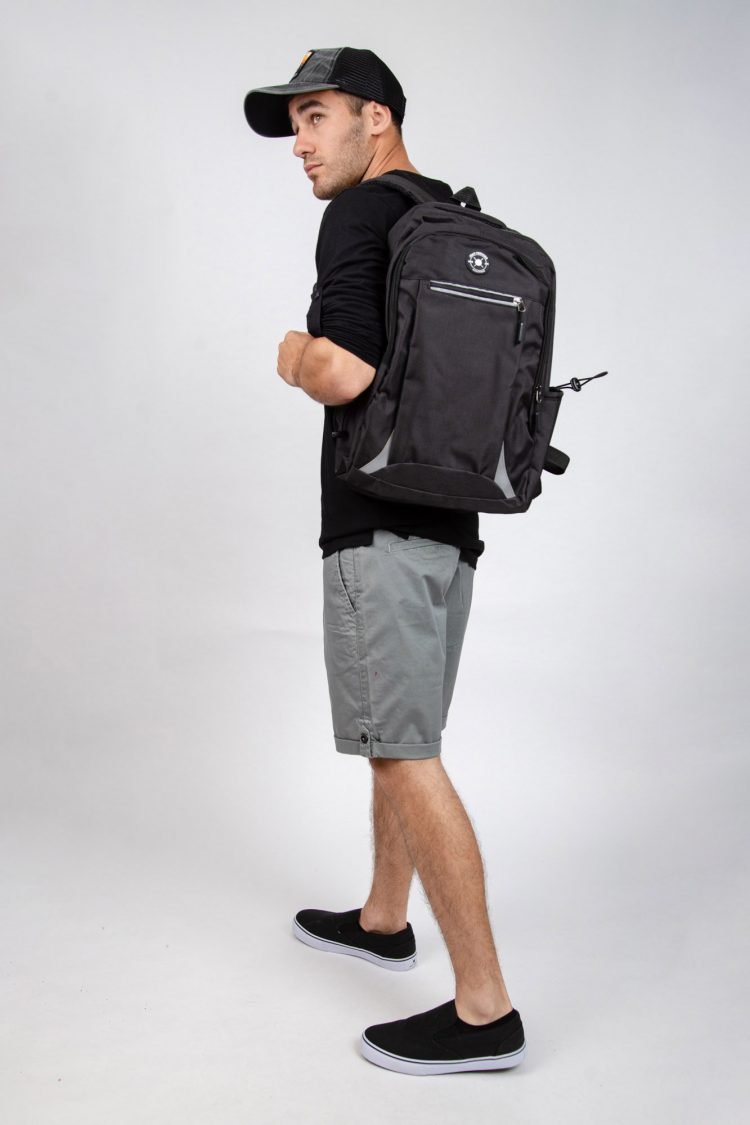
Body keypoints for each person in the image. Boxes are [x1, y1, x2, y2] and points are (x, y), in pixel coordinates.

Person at [244, 47, 526, 1076]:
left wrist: (291, 354)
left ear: (377, 117)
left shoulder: (360, 215)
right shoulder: (447, 215)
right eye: (294, 126)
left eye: (315, 117)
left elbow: (345, 370)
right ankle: (382, 918)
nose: (300, 144)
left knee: (405, 754)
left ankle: (485, 1008)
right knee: (399, 739)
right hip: (454, 527)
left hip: (375, 526)